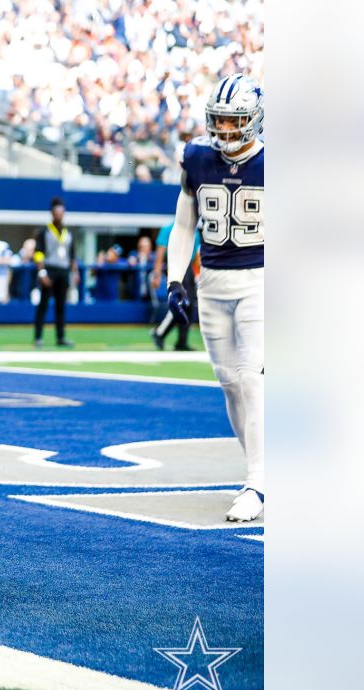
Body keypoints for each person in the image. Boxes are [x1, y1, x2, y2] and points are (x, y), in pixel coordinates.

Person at [165, 74, 265, 522]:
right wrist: (175, 280)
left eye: (233, 121)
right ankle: (262, 471)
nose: (225, 131)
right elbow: (184, 225)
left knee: (251, 378)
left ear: (253, 120)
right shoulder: (197, 159)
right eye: (219, 121)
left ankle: (257, 483)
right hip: (213, 282)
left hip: (261, 280)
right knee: (229, 384)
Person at [33, 197, 77, 348]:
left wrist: (74, 273)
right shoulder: (44, 231)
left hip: (63, 271)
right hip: (50, 269)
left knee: (61, 305)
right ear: (52, 213)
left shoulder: (68, 232)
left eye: (62, 212)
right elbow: (38, 253)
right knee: (43, 304)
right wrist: (42, 273)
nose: (59, 215)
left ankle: (60, 337)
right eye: (57, 212)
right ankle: (38, 336)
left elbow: (72, 255)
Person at [150, 223, 199, 351]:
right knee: (179, 302)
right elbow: (161, 251)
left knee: (189, 304)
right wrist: (157, 273)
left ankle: (181, 341)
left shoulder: (195, 231)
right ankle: (160, 333)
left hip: (189, 269)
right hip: (175, 266)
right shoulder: (169, 229)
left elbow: (196, 255)